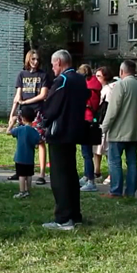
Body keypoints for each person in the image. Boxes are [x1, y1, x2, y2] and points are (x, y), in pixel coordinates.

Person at [41, 49, 88, 230]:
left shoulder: (63, 80)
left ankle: (63, 219)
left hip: (59, 133)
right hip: (74, 132)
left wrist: (44, 120)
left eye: (53, 64)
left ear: (59, 62)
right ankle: (75, 215)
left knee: (59, 177)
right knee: (71, 174)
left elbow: (51, 107)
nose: (52, 68)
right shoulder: (80, 79)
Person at [100, 60, 137, 198]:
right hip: (135, 131)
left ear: (121, 71)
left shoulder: (120, 85)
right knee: (132, 162)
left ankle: (115, 190)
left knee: (114, 161)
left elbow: (112, 110)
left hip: (118, 131)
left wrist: (103, 128)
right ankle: (130, 192)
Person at [8, 50, 51, 186]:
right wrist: (12, 114)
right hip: (23, 112)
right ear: (28, 60)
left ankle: (42, 173)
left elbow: (43, 95)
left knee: (40, 142)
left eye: (37, 59)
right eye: (33, 59)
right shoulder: (22, 74)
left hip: (37, 112)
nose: (35, 62)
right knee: (21, 139)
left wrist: (26, 102)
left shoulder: (43, 75)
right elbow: (18, 95)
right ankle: (20, 170)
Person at [6, 106, 41, 199]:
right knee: (29, 175)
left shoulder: (20, 129)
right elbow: (37, 144)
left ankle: (22, 192)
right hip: (30, 158)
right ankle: (28, 190)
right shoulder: (34, 131)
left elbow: (8, 132)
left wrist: (11, 123)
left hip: (20, 157)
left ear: (22, 118)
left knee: (21, 175)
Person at [78, 64, 101, 192]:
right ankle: (87, 176)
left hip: (86, 119)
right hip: (91, 120)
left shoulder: (87, 88)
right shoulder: (96, 86)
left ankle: (91, 180)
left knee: (87, 154)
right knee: (86, 152)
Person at [92, 67, 115, 181]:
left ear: (105, 77)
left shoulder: (108, 89)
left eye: (98, 76)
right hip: (97, 121)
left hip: (105, 122)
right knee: (97, 148)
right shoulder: (99, 89)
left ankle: (112, 174)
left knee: (106, 149)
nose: (96, 78)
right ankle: (97, 171)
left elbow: (107, 107)